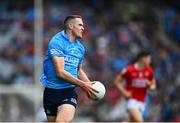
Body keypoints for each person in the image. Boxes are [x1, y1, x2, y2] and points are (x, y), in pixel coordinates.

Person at [40, 15, 98, 122]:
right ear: (71, 26)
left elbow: (78, 70)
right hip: (51, 92)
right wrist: (83, 85)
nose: (83, 28)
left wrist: (90, 86)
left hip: (68, 91)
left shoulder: (80, 48)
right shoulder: (57, 42)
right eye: (80, 25)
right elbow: (60, 72)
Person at [114, 51, 156, 122]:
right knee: (139, 121)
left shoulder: (149, 71)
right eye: (148, 59)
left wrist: (150, 86)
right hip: (131, 100)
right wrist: (124, 92)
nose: (150, 61)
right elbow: (116, 82)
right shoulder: (129, 69)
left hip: (142, 101)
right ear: (142, 59)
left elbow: (153, 86)